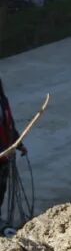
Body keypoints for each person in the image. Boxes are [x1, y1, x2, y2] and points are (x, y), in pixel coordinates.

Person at [0, 77, 28, 207]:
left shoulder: (3, 101)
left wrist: (19, 145)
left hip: (5, 158)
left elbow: (10, 126)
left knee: (1, 191)